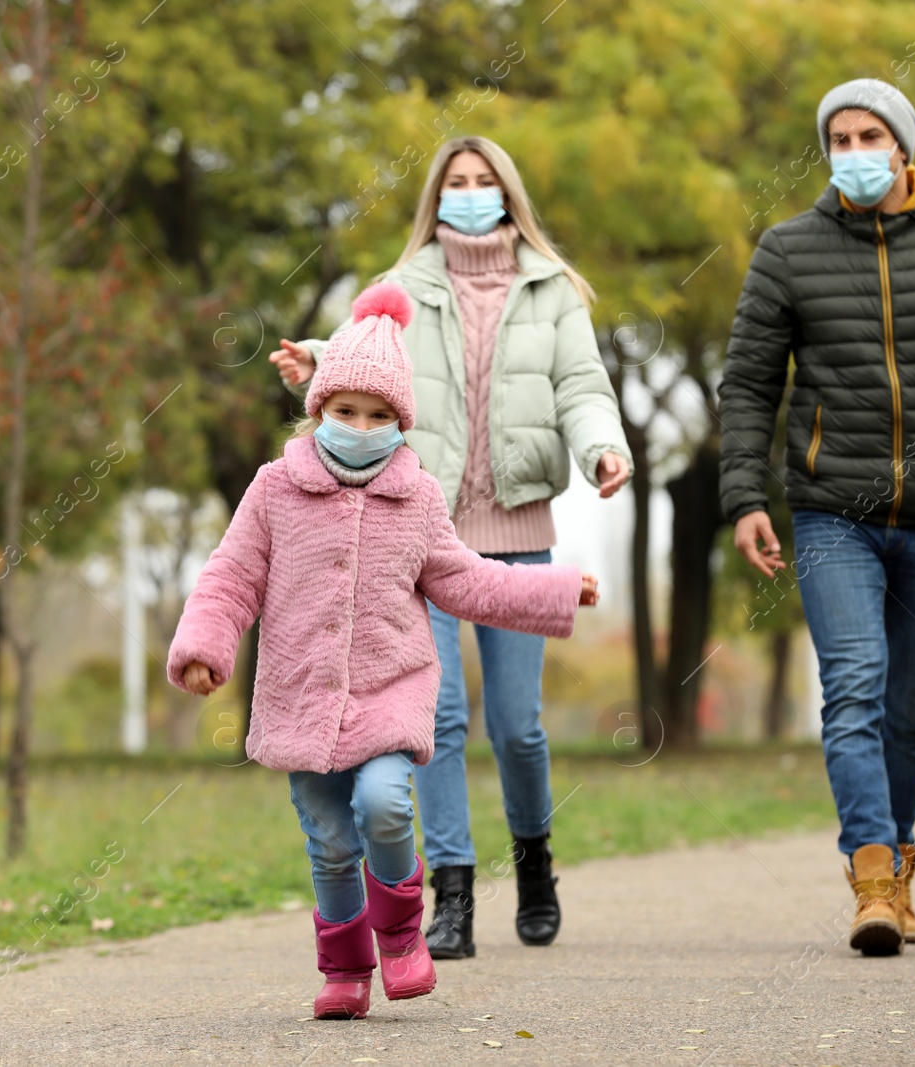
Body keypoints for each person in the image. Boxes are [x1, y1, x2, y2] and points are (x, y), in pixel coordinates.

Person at [170, 282, 599, 1020]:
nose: (360, 427)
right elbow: (232, 573)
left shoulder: (420, 498)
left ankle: (401, 935)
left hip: (390, 692)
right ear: (319, 411)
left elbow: (470, 582)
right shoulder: (275, 489)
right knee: (331, 841)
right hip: (301, 698)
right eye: (344, 412)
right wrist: (206, 644)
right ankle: (344, 971)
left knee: (383, 803)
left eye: (377, 416)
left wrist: (554, 590)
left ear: (401, 422)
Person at [270, 136, 632, 958]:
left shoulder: (553, 291)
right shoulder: (403, 286)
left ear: (509, 195)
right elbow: (366, 349)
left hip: (517, 532)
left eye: (484, 182)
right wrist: (317, 358)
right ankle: (454, 891)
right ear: (436, 199)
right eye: (456, 184)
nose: (470, 194)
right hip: (415, 534)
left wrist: (603, 447)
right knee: (433, 716)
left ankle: (534, 859)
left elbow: (580, 385)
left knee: (517, 725)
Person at [717, 79, 915, 956]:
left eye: (870, 135)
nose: (854, 151)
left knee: (909, 710)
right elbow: (747, 383)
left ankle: (898, 869)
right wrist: (745, 496)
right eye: (839, 137)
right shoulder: (787, 251)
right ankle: (872, 877)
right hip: (831, 514)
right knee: (852, 686)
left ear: (903, 144)